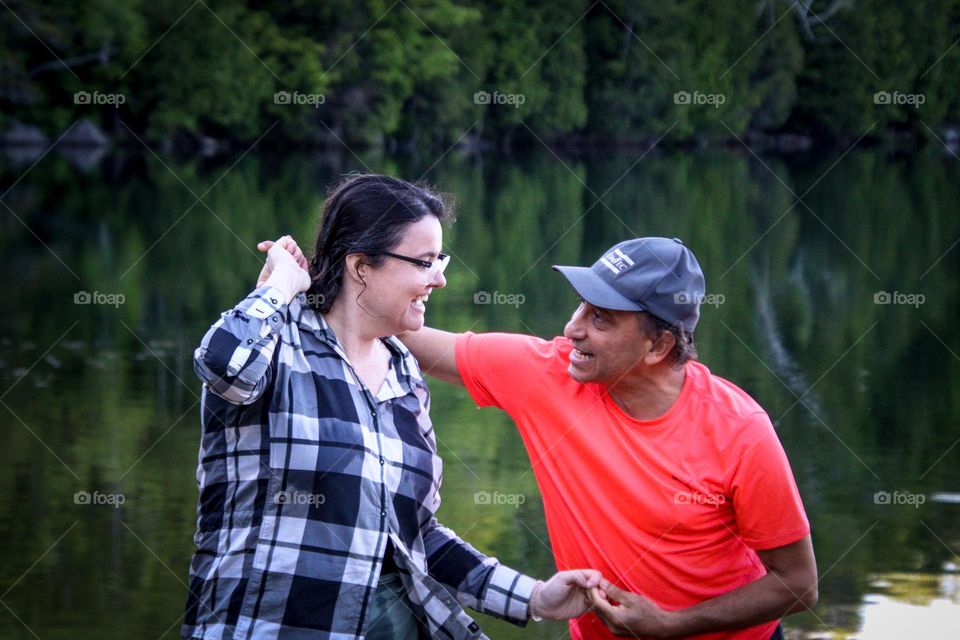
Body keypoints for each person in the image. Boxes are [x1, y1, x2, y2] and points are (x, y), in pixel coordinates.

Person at [263, 235, 817, 640]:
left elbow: (798, 585)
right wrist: (305, 287)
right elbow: (399, 333)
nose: (572, 328)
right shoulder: (547, 374)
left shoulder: (739, 431)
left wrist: (671, 625)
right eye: (581, 306)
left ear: (658, 346)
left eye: (601, 318)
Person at [182, 174, 601, 640]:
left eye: (439, 260)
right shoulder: (277, 342)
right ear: (361, 265)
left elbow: (417, 537)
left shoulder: (405, 374)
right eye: (424, 262)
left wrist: (534, 597)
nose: (440, 278)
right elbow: (221, 365)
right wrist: (282, 284)